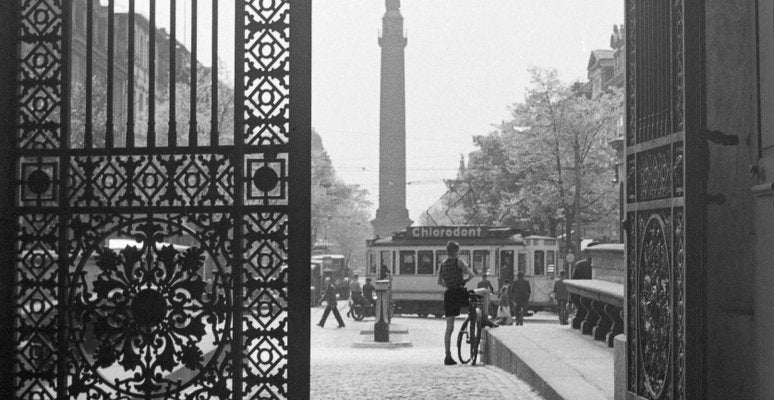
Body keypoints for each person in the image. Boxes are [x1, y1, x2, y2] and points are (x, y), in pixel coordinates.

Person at [437, 241, 497, 366]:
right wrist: (463, 281)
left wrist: (449, 286)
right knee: (485, 292)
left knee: (449, 327)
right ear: (456, 251)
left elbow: (439, 282)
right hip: (461, 294)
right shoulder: (459, 261)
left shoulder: (442, 265)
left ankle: (447, 356)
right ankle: (485, 319)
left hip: (449, 295)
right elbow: (472, 275)